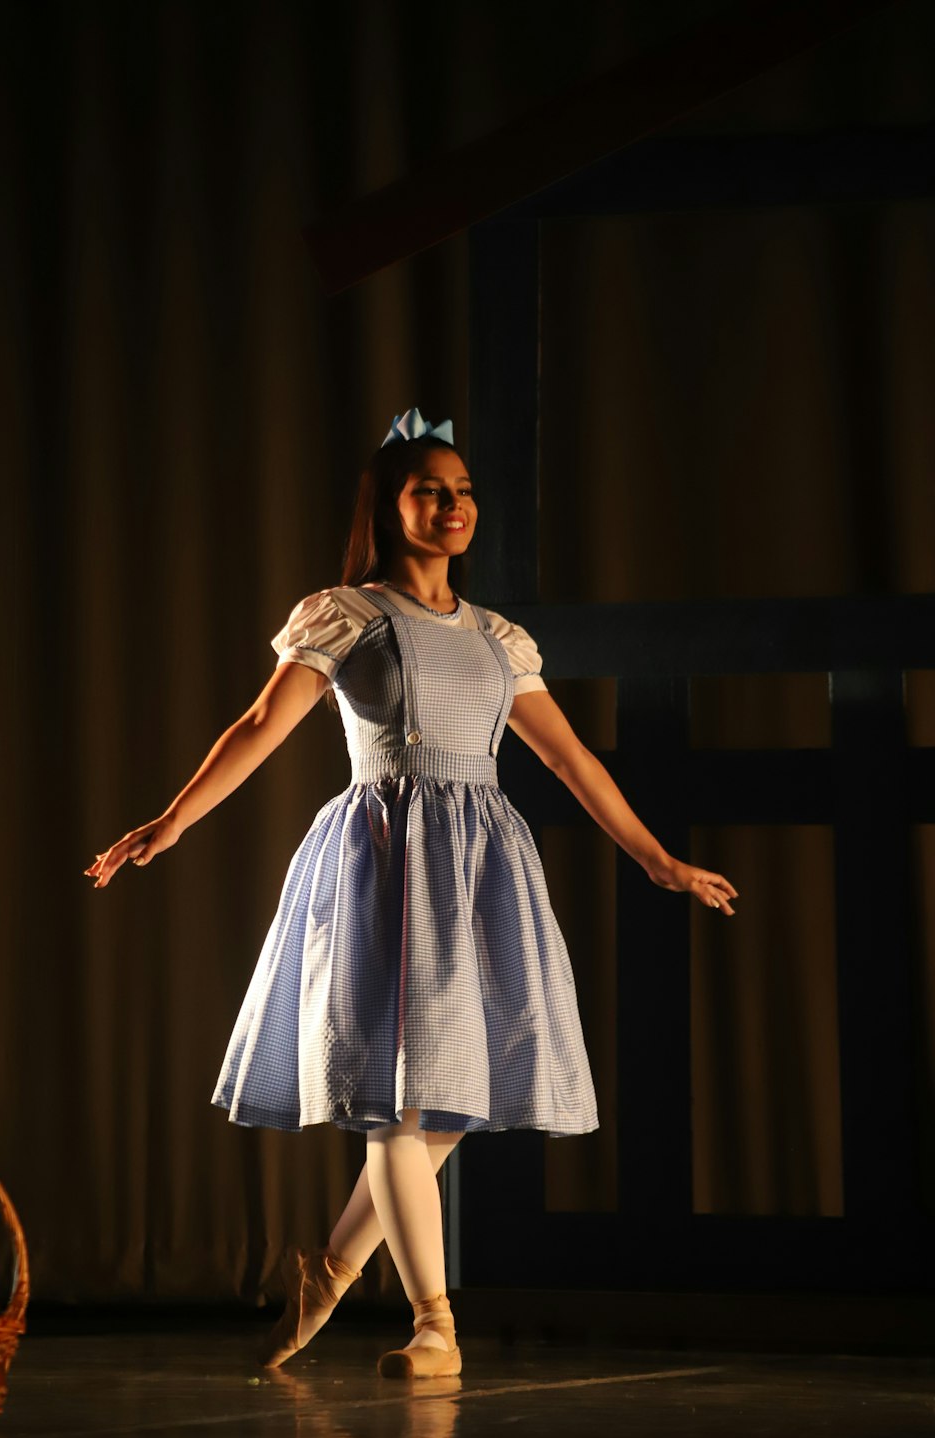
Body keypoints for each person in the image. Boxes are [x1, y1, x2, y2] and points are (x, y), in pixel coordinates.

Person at [84, 406, 739, 1379]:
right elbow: (262, 725)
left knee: (443, 1108)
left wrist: (654, 857)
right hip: (387, 859)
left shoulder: (497, 638)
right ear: (390, 506)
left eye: (464, 490)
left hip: (481, 868)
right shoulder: (347, 614)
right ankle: (436, 1324)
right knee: (401, 1104)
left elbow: (567, 762)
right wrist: (171, 820)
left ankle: (329, 1265)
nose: (452, 505)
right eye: (430, 489)